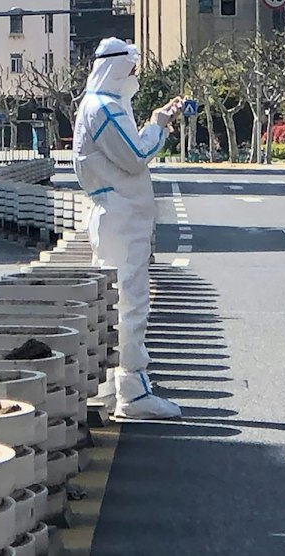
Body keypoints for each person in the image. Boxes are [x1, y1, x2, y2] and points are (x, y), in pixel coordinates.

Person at [72, 36, 187, 421]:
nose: (136, 74)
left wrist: (155, 122)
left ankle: (111, 385)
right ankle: (133, 391)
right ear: (118, 68)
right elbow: (136, 155)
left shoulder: (100, 104)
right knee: (130, 303)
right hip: (122, 218)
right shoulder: (104, 109)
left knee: (114, 302)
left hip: (115, 215)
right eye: (132, 68)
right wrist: (157, 125)